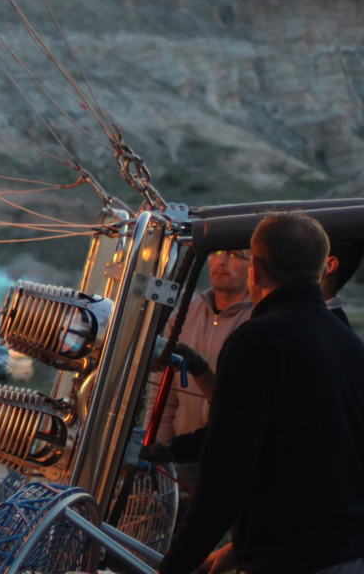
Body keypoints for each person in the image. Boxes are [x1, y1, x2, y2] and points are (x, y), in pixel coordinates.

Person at [156, 213, 364, 574]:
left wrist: (174, 568)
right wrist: (236, 549)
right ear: (321, 270)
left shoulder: (256, 342)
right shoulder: (350, 345)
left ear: (255, 269)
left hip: (290, 560)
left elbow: (227, 473)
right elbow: (308, 454)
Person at [145, 249, 252, 487]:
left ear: (254, 266)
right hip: (180, 457)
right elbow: (163, 393)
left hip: (232, 459)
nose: (222, 262)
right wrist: (155, 451)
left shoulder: (258, 321)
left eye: (235, 255)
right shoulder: (184, 315)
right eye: (217, 253)